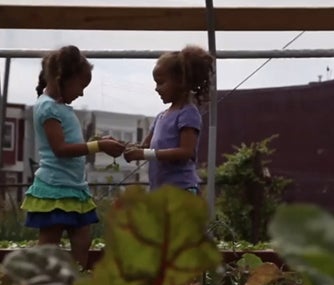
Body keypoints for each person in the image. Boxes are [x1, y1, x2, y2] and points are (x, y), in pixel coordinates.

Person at [21, 45, 125, 268]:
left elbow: (73, 144)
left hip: (73, 186)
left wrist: (98, 140)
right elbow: (60, 149)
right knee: (49, 242)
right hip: (55, 186)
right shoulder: (47, 108)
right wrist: (98, 146)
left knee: (82, 237)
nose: (82, 92)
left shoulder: (59, 107)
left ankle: (76, 283)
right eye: (81, 85)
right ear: (62, 78)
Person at [124, 45, 213, 194]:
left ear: (180, 82)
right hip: (161, 192)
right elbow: (144, 147)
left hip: (182, 191)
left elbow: (186, 152)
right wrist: (124, 147)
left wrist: (143, 154)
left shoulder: (188, 113)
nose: (156, 88)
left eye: (161, 82)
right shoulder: (161, 117)